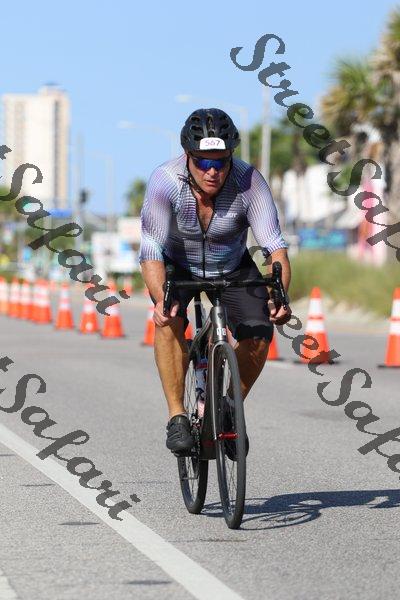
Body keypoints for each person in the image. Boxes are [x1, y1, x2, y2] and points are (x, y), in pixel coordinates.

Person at [139, 108, 292, 455]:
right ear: (188, 156)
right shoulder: (165, 181)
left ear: (231, 156)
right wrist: (161, 300)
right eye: (203, 162)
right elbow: (150, 250)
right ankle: (177, 416)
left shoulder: (249, 182)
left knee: (259, 330)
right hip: (179, 264)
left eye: (221, 162)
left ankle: (228, 407)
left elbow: (275, 248)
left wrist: (279, 296)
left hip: (232, 266)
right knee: (168, 319)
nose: (213, 171)